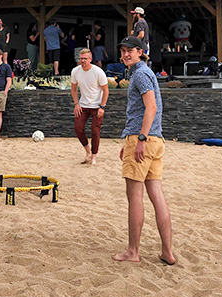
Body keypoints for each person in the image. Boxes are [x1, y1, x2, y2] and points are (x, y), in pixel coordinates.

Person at [112, 36, 175, 265]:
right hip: (155, 141)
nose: (125, 54)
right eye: (123, 51)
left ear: (140, 52)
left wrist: (139, 139)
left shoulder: (140, 74)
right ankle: (167, 251)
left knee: (134, 197)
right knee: (157, 196)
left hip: (144, 140)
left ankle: (133, 251)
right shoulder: (145, 72)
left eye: (130, 50)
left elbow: (151, 107)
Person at [71, 48, 109, 165]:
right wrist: (76, 104)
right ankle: (87, 151)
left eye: (85, 59)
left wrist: (102, 107)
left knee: (95, 130)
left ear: (91, 59)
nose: (83, 61)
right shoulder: (75, 71)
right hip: (83, 105)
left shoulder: (98, 72)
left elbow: (105, 90)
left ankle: (94, 156)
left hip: (97, 105)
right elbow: (73, 89)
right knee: (78, 128)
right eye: (81, 58)